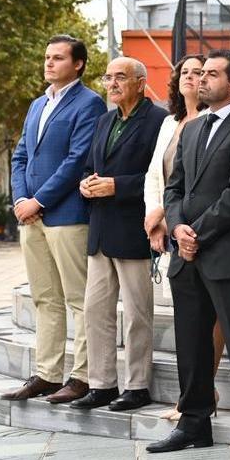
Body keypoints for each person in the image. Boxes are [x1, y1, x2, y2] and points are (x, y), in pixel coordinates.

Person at [147, 50, 230, 456]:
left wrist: (195, 232)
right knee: (191, 343)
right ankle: (194, 423)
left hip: (228, 253)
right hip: (187, 257)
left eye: (212, 74)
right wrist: (179, 225)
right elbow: (174, 187)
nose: (202, 79)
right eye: (200, 74)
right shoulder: (192, 128)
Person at [2, 35, 105, 405]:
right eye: (46, 57)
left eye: (57, 58)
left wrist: (40, 200)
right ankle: (47, 374)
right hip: (32, 219)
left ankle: (81, 376)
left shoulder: (90, 103)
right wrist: (20, 200)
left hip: (67, 216)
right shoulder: (37, 104)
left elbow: (77, 160)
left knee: (79, 299)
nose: (48, 63)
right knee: (45, 299)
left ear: (77, 64)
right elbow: (20, 157)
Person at [70, 57, 167, 412]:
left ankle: (137, 386)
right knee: (96, 311)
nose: (112, 84)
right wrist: (86, 183)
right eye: (108, 77)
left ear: (141, 82)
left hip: (134, 231)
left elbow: (163, 177)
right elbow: (89, 167)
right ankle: (102, 384)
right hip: (100, 233)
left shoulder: (159, 121)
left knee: (138, 313)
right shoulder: (104, 120)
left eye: (120, 77)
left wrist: (117, 186)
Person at [144, 54, 223, 421]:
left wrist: (165, 213)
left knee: (211, 314)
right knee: (188, 317)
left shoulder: (214, 120)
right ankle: (195, 394)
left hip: (205, 228)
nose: (191, 77)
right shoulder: (170, 123)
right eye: (185, 72)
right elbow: (155, 175)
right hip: (174, 228)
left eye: (199, 72)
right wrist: (156, 218)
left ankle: (201, 392)